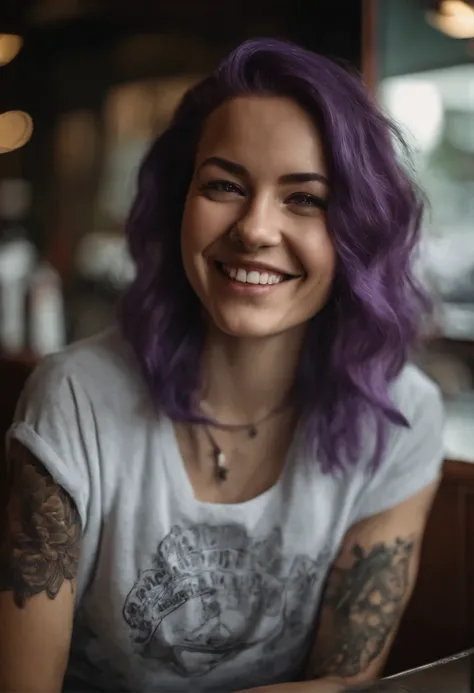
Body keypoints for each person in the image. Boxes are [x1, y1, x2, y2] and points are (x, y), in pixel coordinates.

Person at [0, 38, 444, 693]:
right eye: (225, 185)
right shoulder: (74, 399)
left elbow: (341, 683)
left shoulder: (401, 417)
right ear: (180, 203)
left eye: (305, 198)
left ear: (357, 229)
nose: (255, 228)